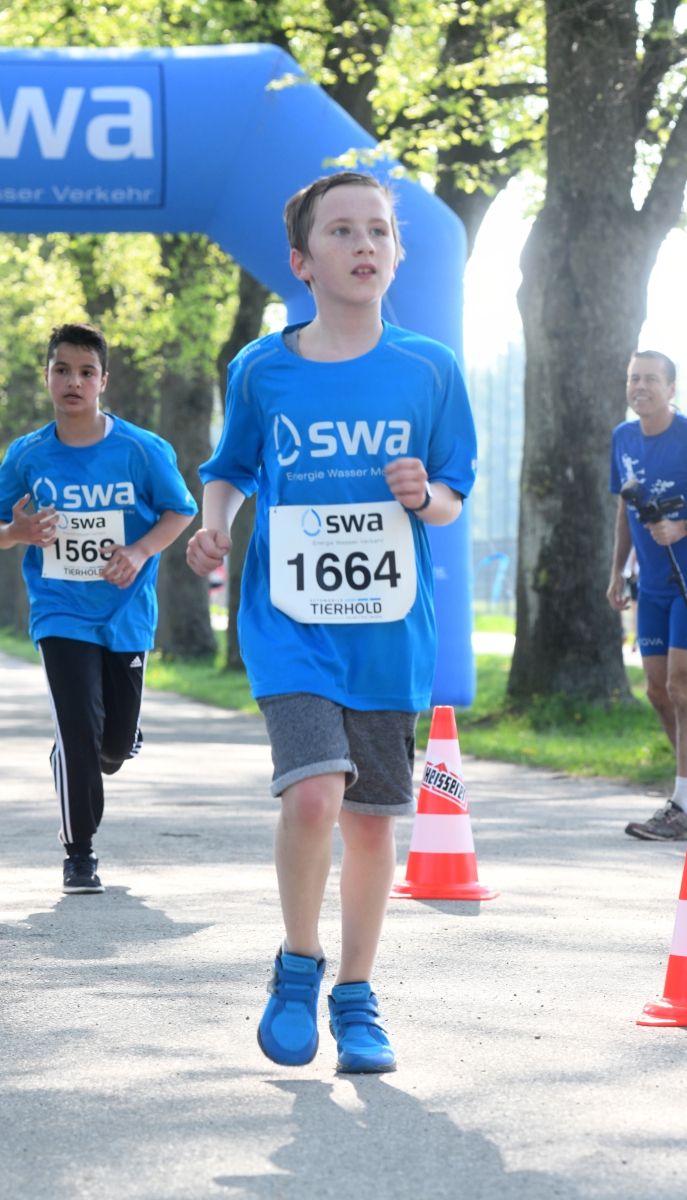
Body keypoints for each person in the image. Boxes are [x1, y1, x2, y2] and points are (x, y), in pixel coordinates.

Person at [187, 171, 476, 1073]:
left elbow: (453, 496)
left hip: (388, 629)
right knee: (313, 795)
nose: (363, 244)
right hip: (290, 621)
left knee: (371, 823)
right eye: (341, 231)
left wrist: (423, 495)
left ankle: (355, 996)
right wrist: (213, 523)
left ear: (396, 252)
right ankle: (296, 964)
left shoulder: (430, 369)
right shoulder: (260, 368)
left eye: (378, 230)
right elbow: (230, 467)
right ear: (301, 261)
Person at [0, 323, 196, 892]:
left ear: (104, 381)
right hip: (60, 610)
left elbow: (180, 510)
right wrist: (16, 532)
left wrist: (140, 551)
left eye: (85, 372)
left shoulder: (141, 450)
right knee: (77, 730)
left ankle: (113, 737)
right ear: (47, 377)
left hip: (126, 612)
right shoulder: (27, 455)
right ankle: (79, 853)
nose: (73, 381)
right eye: (62, 370)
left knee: (112, 746)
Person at [607, 350, 687, 840]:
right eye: (634, 378)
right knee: (658, 692)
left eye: (651, 379)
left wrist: (681, 526)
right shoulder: (623, 437)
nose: (640, 386)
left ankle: (681, 806)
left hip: (686, 581)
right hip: (651, 585)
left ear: (672, 389)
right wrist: (617, 569)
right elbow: (625, 507)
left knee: (681, 686)